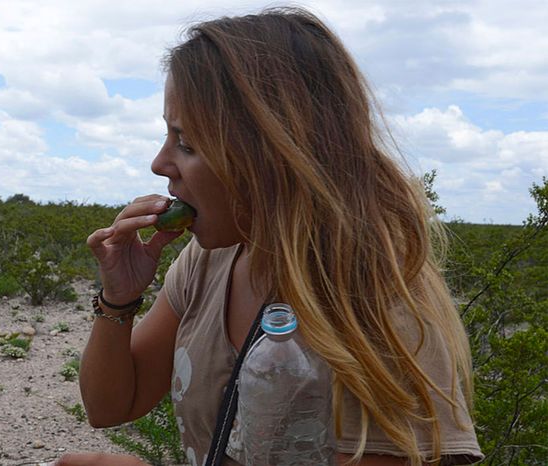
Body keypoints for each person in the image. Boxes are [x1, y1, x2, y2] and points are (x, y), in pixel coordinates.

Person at [57, 6, 483, 466]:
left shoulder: (375, 303)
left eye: (187, 143)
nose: (159, 164)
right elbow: (112, 405)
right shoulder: (208, 261)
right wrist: (118, 299)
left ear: (272, 153)